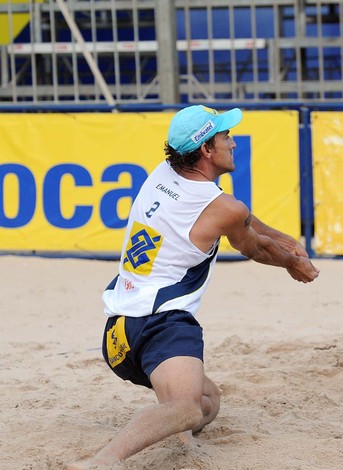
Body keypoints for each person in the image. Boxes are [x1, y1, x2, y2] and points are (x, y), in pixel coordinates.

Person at [69, 105, 319, 468]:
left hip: (117, 334)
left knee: (209, 402)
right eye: (225, 136)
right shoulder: (221, 208)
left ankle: (171, 428)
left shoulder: (163, 173)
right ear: (206, 149)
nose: (232, 143)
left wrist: (288, 240)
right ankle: (102, 460)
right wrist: (292, 263)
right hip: (160, 324)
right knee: (186, 409)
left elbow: (239, 216)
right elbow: (252, 244)